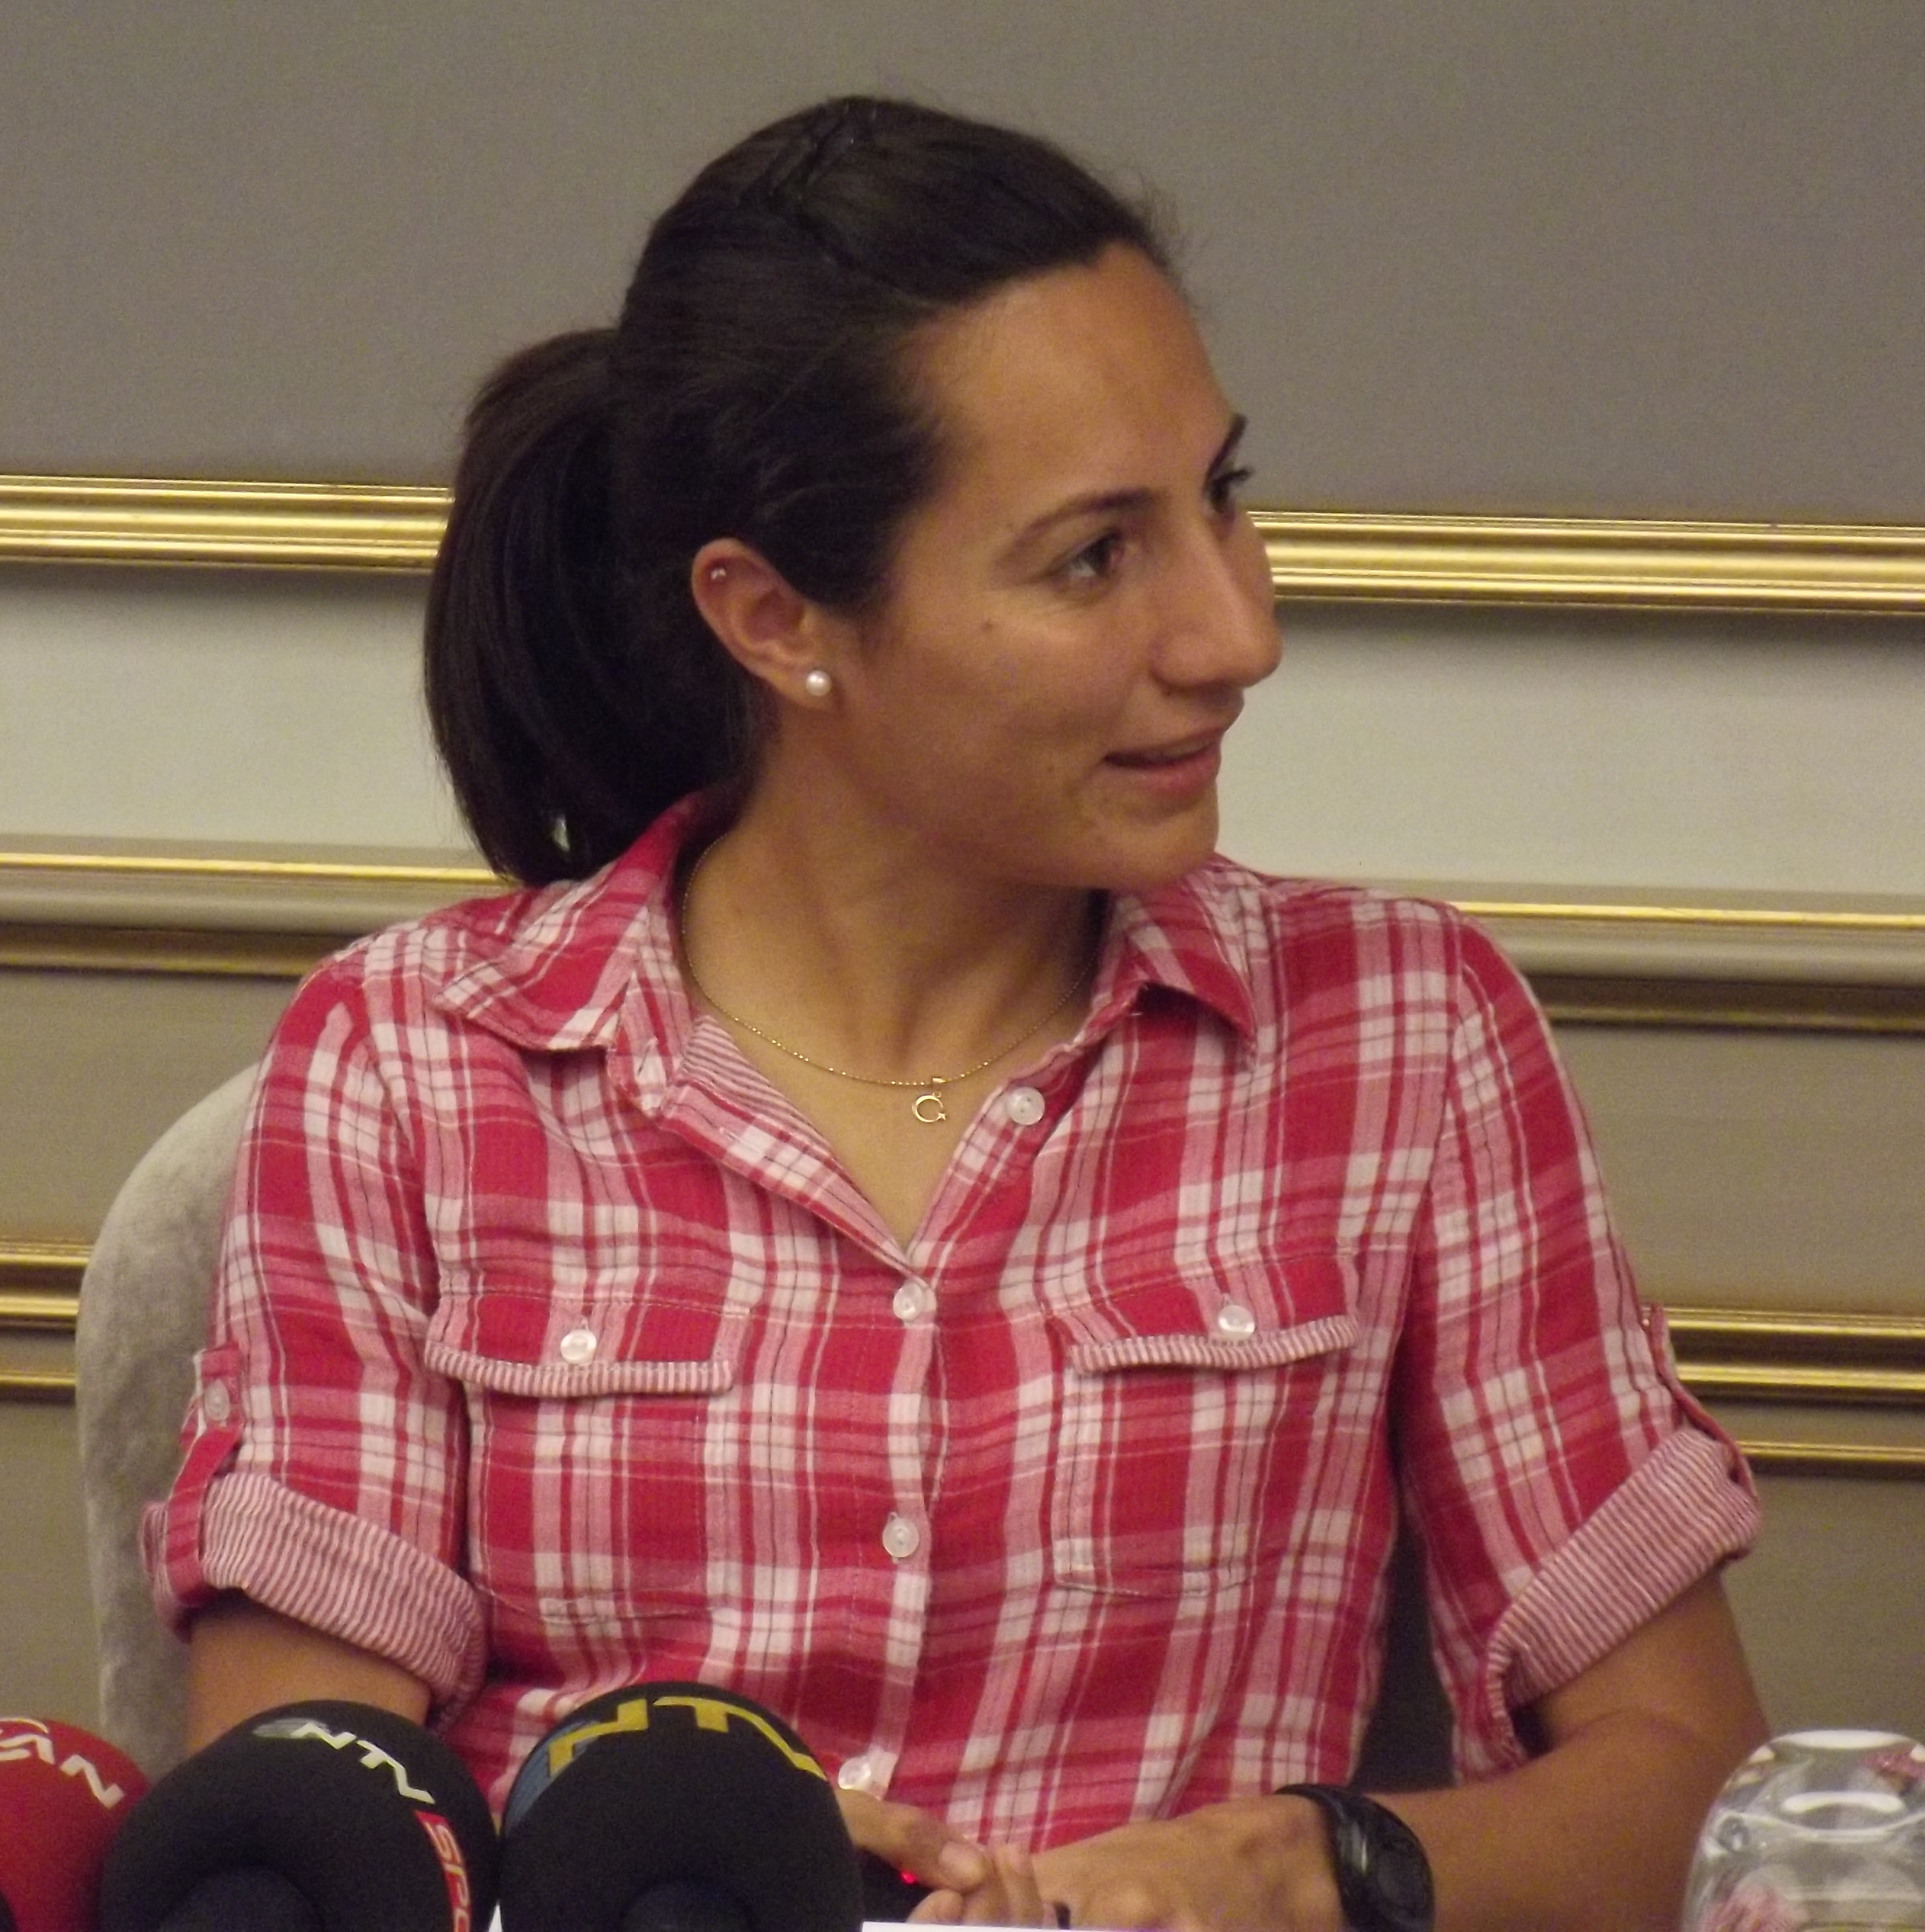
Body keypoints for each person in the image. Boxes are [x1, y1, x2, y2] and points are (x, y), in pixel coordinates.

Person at [145, 95, 1766, 1931]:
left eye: (1221, 499)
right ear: (774, 620)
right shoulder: (412, 1065)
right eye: (1095, 557)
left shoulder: (1402, 1037)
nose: (1237, 634)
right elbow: (308, 1841)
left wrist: (1299, 1863)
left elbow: (1696, 1796)